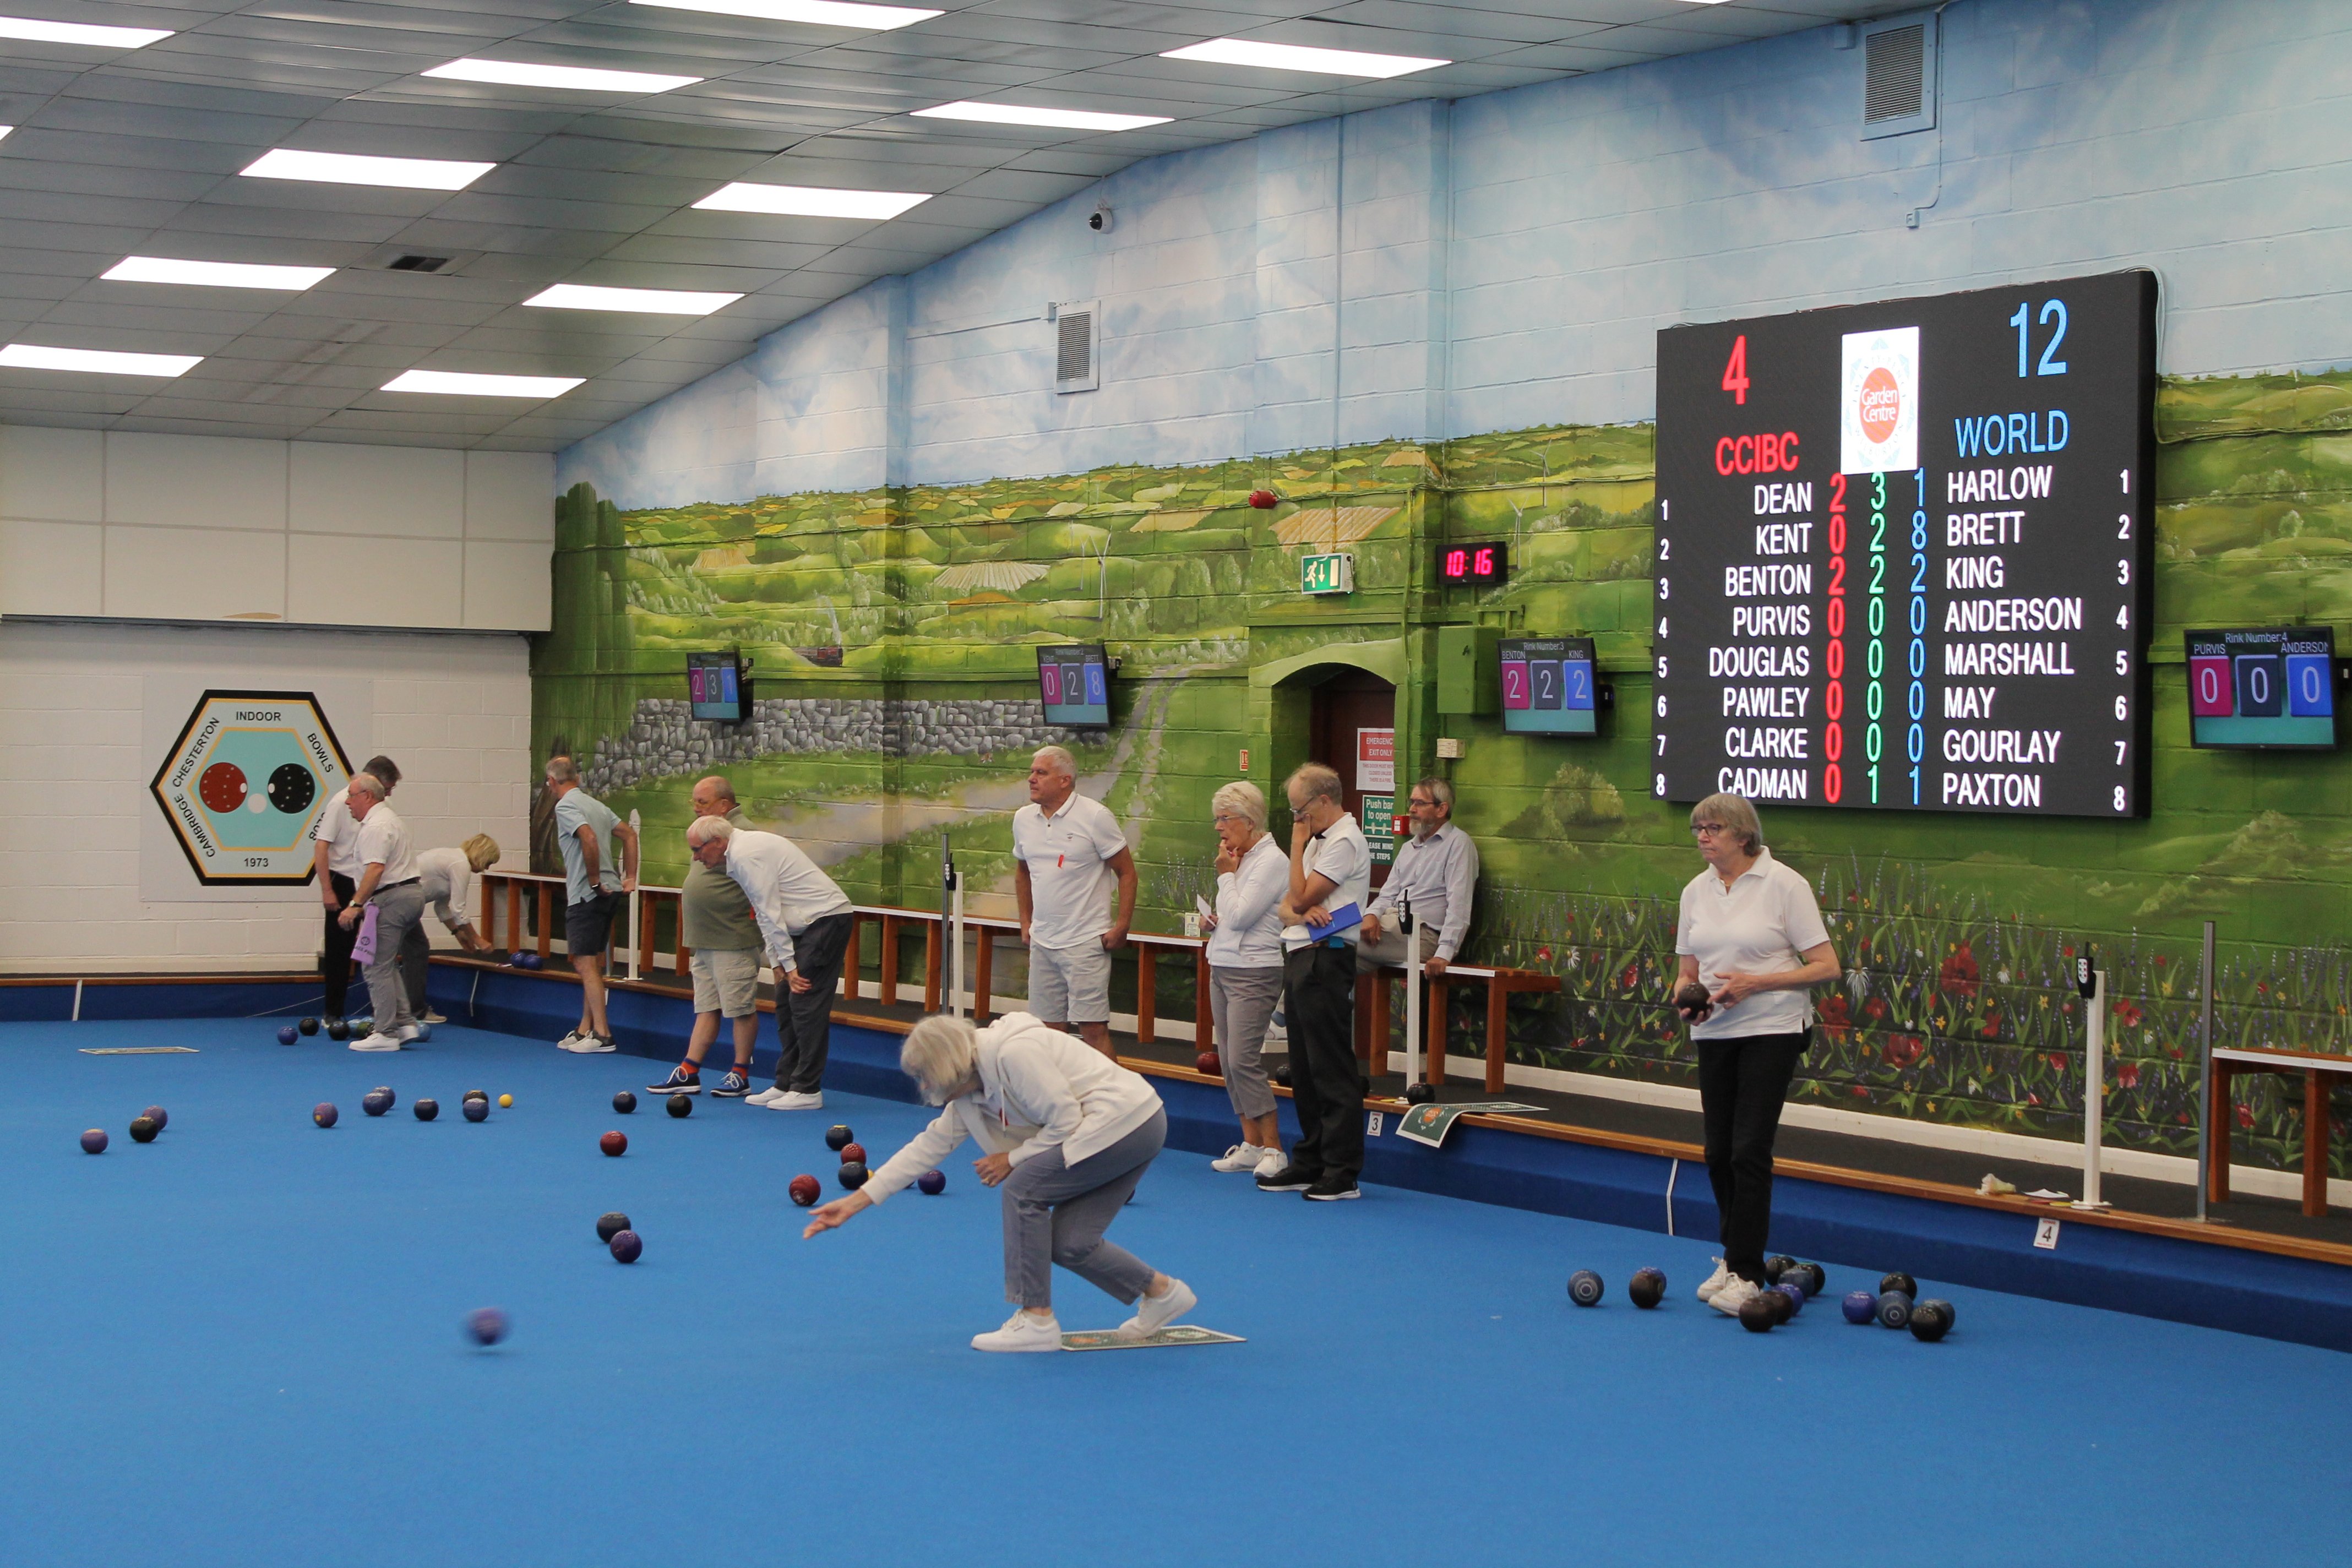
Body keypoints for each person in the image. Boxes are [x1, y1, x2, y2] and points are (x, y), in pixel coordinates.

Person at [803, 1011, 1194, 1352]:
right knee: (1069, 1244)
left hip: (1124, 1124)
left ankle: (1036, 1320)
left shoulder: (1013, 1055)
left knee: (1023, 1188)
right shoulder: (970, 1091)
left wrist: (1012, 1159)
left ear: (946, 1066)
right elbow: (928, 1147)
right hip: (1123, 1129)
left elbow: (1066, 1121)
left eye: (925, 1077)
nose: (924, 1088)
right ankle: (1162, 1293)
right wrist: (855, 1203)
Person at [1672, 793, 1839, 1320]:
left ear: (1744, 835)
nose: (1703, 836)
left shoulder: (1785, 884)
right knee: (1717, 1152)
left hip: (1774, 1027)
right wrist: (1683, 998)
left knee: (1748, 1150)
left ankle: (1747, 1272)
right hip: (1716, 1031)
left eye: (1714, 828)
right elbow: (1687, 972)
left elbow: (1826, 965)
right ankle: (1732, 1258)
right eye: (1698, 828)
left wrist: (1756, 984)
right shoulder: (1695, 892)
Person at [1257, 762, 1371, 1202]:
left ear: (1325, 801)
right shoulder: (1317, 841)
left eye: (1300, 810)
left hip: (1329, 958)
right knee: (1303, 1068)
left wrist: (1298, 844)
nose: (1297, 819)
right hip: (1301, 953)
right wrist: (1300, 911)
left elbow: (1301, 896)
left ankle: (1342, 1172)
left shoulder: (1343, 840)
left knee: (1331, 1067)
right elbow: (1286, 908)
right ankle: (1311, 1159)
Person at [686, 814, 856, 1110]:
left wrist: (790, 968)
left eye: (698, 850)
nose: (697, 858)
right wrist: (778, 964)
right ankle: (786, 1083)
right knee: (785, 1000)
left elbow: (770, 910)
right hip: (804, 926)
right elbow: (762, 914)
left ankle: (808, 1090)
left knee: (805, 1001)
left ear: (717, 842)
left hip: (827, 920)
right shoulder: (735, 856)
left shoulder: (746, 854)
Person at [1011, 745, 1136, 1058]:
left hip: (1085, 942)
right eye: (1032, 771)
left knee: (1093, 1030)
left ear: (1065, 780)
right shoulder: (1023, 819)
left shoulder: (1095, 817)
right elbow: (1022, 872)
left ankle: (1113, 1103)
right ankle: (1059, 1101)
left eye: (1041, 773)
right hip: (1043, 941)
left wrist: (1121, 926)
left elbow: (1127, 873)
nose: (1031, 779)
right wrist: (1026, 922)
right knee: (1048, 1032)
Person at [649, 778, 764, 1098]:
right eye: (695, 802)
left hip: (733, 937)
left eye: (703, 802)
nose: (696, 808)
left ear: (725, 805)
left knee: (740, 1008)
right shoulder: (706, 832)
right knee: (707, 1007)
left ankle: (740, 1074)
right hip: (705, 938)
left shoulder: (745, 836)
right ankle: (689, 1070)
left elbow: (761, 886)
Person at [1359, 775, 1479, 1081]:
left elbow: (1459, 903)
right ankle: (1315, 1042)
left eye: (1419, 803)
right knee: (1327, 954)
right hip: (1391, 929)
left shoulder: (1458, 845)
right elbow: (1387, 893)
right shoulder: (1409, 848)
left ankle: (1283, 1017)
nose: (1411, 809)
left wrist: (1446, 953)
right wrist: (1371, 915)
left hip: (1424, 936)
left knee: (1334, 939)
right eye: (1411, 802)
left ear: (1442, 810)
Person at [1201, 781, 1289, 1179]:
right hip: (1222, 965)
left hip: (1254, 971)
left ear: (1249, 821)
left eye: (1225, 819)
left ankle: (1275, 1149)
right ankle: (1251, 1143)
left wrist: (1225, 877)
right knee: (1228, 1062)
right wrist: (1211, 921)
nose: (1219, 828)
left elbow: (1241, 915)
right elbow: (1230, 915)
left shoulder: (1272, 861)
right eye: (1217, 819)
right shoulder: (1239, 859)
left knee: (1244, 1059)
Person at [546, 756, 637, 1053]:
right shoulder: (595, 804)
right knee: (591, 964)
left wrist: (594, 880)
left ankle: (603, 1034)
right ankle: (585, 1028)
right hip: (608, 894)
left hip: (588, 895)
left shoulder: (565, 806)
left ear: (552, 782)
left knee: (584, 963)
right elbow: (629, 834)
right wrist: (631, 876)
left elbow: (588, 837)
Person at [336, 772, 425, 1053]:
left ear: (368, 797)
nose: (347, 802)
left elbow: (376, 869)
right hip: (407, 894)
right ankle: (405, 1024)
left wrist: (355, 905)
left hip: (392, 897)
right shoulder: (389, 819)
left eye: (351, 796)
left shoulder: (377, 826)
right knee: (385, 964)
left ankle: (386, 1033)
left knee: (373, 964)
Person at [311, 753, 401, 1026]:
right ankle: (333, 1013)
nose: (388, 795)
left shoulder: (379, 811)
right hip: (343, 880)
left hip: (369, 882)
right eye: (387, 789)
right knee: (339, 950)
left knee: (378, 948)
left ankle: (386, 1015)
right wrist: (328, 891)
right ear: (371, 783)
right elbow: (321, 845)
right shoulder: (342, 802)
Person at [400, 833, 500, 1022]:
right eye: (488, 863)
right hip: (401, 904)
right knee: (415, 951)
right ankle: (413, 1011)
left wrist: (458, 933)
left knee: (416, 950)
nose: (486, 869)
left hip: (405, 905)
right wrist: (478, 939)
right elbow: (458, 910)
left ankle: (411, 1010)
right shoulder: (460, 864)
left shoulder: (453, 859)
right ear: (482, 855)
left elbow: (442, 906)